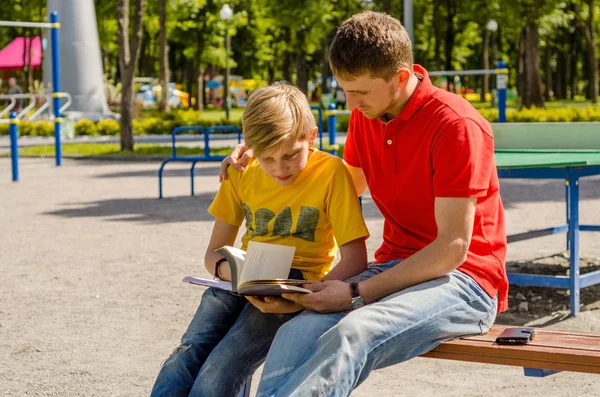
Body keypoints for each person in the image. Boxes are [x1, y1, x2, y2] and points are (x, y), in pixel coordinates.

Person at [220, 11, 508, 397]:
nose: (351, 103)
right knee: (296, 332)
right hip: (394, 265)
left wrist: (356, 292)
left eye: (360, 92)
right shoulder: (367, 116)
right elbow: (337, 185)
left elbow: (451, 249)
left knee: (355, 330)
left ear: (401, 78)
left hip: (465, 282)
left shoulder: (455, 125)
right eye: (345, 90)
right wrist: (269, 153)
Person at [150, 82, 370, 397]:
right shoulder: (241, 170)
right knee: (185, 355)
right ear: (249, 146)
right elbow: (213, 252)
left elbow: (355, 258)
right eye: (267, 158)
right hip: (240, 275)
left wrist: (306, 296)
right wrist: (235, 272)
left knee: (221, 367)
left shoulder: (331, 173)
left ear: (312, 136)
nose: (279, 168)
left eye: (290, 156)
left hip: (296, 285)